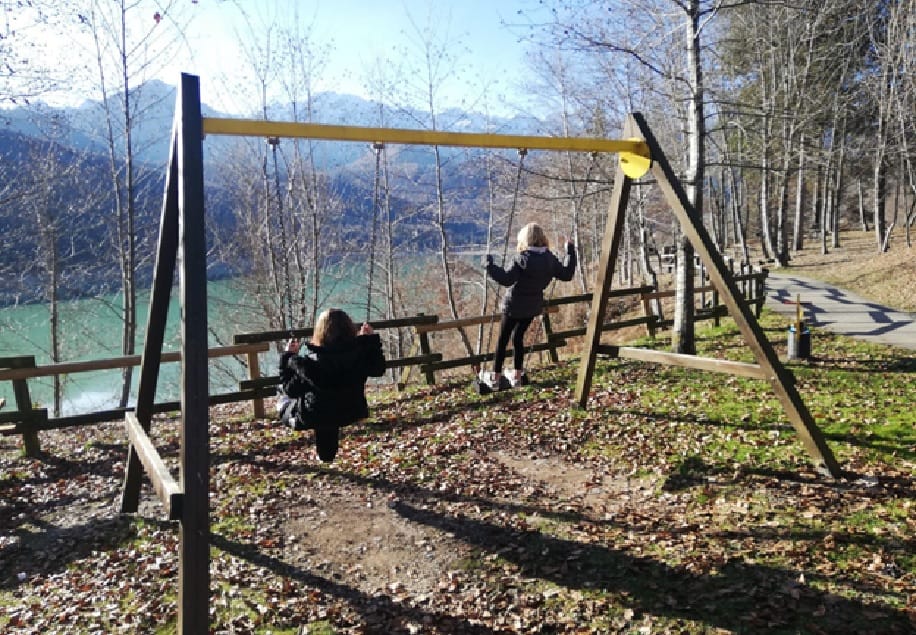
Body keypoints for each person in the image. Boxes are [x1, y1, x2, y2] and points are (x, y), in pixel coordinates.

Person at [277, 308, 386, 462]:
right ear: (350, 329)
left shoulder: (308, 363)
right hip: (350, 411)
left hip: (314, 414)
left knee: (286, 397)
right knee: (329, 406)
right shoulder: (358, 356)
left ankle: (324, 452)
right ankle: (327, 456)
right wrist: (369, 341)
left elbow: (290, 390)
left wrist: (288, 358)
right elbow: (378, 368)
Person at [484, 222, 577, 389]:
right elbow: (567, 274)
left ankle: (495, 377)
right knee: (517, 338)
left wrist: (490, 267)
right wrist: (570, 251)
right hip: (532, 307)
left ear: (525, 238)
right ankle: (517, 375)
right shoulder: (549, 258)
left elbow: (507, 279)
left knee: (503, 339)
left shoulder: (522, 258)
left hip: (513, 306)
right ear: (542, 238)